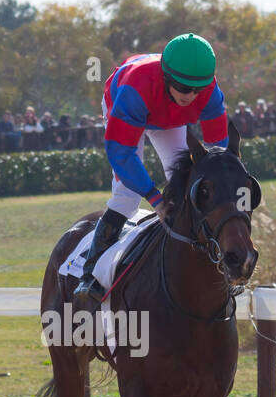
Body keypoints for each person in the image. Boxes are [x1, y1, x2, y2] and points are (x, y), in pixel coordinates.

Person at [73, 32, 229, 307]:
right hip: (128, 104)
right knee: (126, 197)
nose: (191, 96)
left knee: (190, 185)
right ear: (168, 77)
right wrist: (156, 200)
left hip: (167, 117)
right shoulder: (135, 90)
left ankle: (208, 261)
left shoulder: (209, 93)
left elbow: (219, 152)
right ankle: (90, 274)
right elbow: (120, 154)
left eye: (198, 89)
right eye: (184, 88)